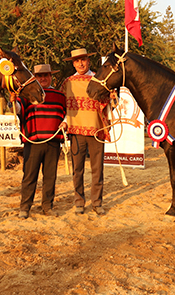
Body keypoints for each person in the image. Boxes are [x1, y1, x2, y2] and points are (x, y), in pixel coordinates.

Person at [61, 48, 111, 215]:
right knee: (78, 169)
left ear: (88, 61)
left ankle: (97, 203)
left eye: (83, 60)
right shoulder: (68, 83)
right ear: (73, 63)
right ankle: (79, 202)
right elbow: (63, 106)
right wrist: (64, 121)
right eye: (77, 61)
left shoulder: (99, 80)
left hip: (97, 130)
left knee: (98, 169)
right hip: (76, 131)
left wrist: (111, 102)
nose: (80, 63)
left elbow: (107, 104)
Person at [14, 64, 67, 219]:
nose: (43, 78)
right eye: (39, 76)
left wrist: (65, 122)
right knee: (29, 176)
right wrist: (13, 101)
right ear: (34, 78)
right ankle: (25, 207)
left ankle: (47, 206)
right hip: (33, 141)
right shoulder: (27, 95)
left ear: (51, 77)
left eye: (46, 75)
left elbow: (66, 113)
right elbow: (18, 110)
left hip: (53, 141)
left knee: (50, 176)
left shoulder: (59, 96)